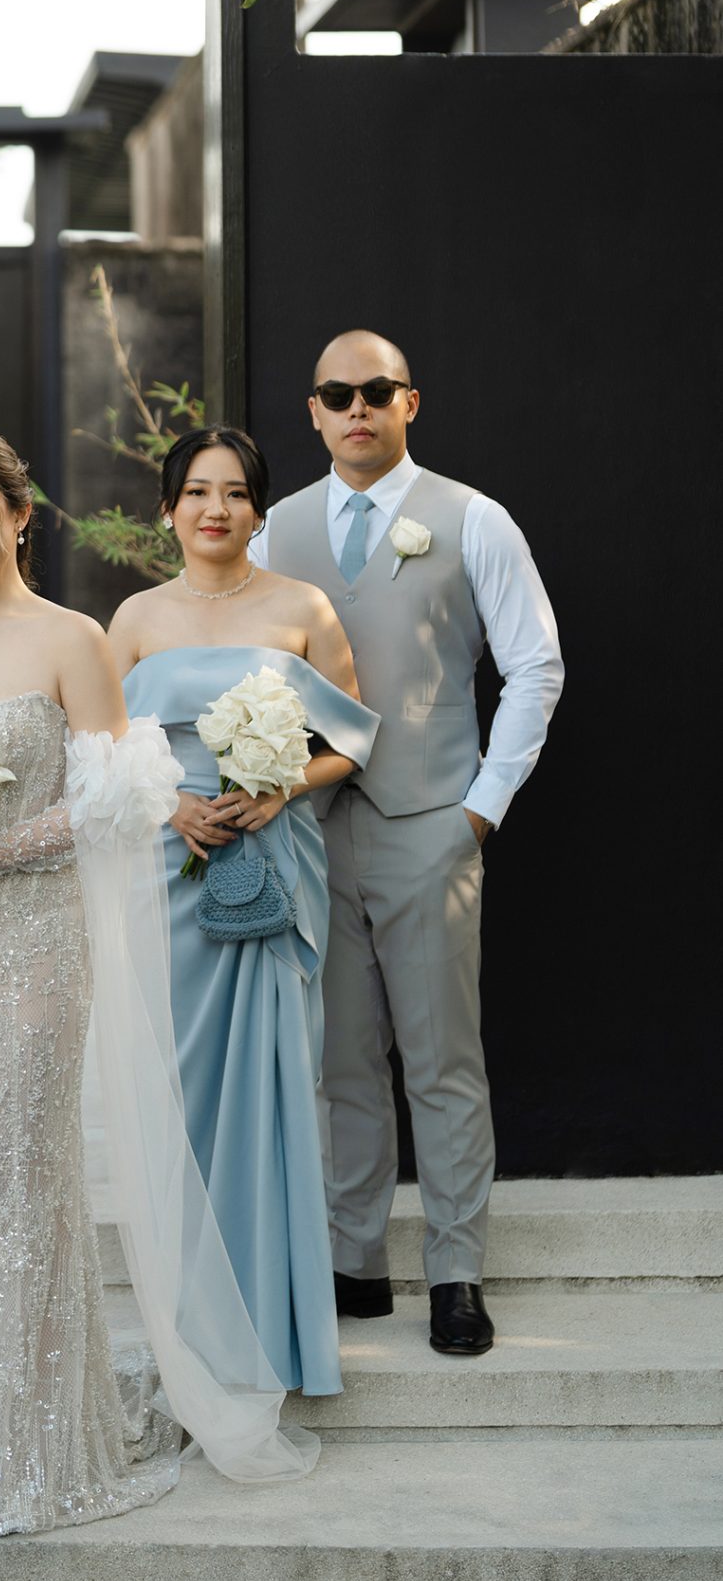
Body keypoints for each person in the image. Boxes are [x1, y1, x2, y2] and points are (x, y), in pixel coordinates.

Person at [0, 424, 316, 1538]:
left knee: (18, 1177)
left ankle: (31, 1442)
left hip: (31, 945)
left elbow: (114, 799)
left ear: (19, 515)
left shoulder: (72, 638)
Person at [258, 331, 563, 1359]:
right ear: (313, 411)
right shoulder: (276, 528)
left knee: (441, 1059)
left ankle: (455, 1271)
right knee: (339, 1059)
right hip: (310, 830)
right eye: (336, 393)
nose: (357, 407)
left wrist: (481, 807)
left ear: (408, 402)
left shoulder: (473, 518)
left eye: (375, 390)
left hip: (430, 823)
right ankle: (355, 1261)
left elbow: (535, 665)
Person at [108, 426, 378, 1400]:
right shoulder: (134, 617)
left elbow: (352, 738)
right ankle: (193, 1329)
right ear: (168, 508)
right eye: (196, 491)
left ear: (258, 510)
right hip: (168, 868)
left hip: (273, 861)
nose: (214, 509)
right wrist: (167, 806)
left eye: (232, 493)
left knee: (274, 1086)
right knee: (183, 1093)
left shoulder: (302, 607)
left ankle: (274, 1331)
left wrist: (281, 787)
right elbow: (99, 750)